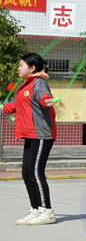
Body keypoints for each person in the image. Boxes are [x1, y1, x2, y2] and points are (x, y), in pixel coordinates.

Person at [5, 53, 57, 226]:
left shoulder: (39, 82)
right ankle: (36, 209)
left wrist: (46, 100)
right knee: (26, 173)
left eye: (21, 65)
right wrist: (4, 108)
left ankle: (47, 211)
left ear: (32, 68)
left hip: (41, 134)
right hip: (29, 134)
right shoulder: (26, 85)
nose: (18, 68)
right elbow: (18, 106)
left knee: (36, 172)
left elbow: (43, 96)